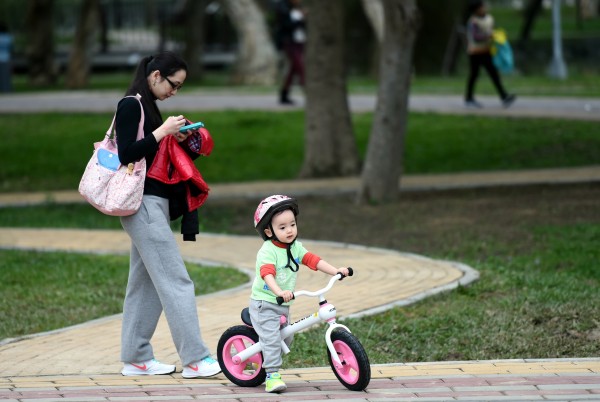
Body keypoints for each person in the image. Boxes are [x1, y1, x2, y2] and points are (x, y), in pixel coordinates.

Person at [115, 51, 221, 379]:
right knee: (176, 281)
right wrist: (162, 132)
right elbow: (126, 154)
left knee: (145, 284)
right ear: (156, 75)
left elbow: (151, 151)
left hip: (151, 205)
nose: (174, 92)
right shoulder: (130, 104)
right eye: (173, 85)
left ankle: (136, 358)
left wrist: (174, 135)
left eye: (179, 88)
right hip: (142, 205)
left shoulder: (150, 107)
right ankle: (195, 359)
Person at [250, 195, 350, 393]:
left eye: (292, 224)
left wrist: (336, 270)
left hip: (282, 303)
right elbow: (267, 274)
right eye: (282, 227)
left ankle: (257, 361)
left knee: (286, 339)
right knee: (271, 340)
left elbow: (313, 260)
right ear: (269, 231)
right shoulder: (267, 251)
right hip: (265, 302)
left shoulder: (295, 246)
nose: (290, 230)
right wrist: (280, 292)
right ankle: (271, 375)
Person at [464, 0, 515, 109]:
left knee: (494, 74)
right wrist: (489, 36)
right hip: (475, 53)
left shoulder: (489, 19)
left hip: (487, 51)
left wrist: (497, 36)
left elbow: (491, 30)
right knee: (474, 75)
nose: (484, 9)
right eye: (481, 7)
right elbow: (475, 37)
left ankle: (504, 96)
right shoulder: (473, 22)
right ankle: (469, 99)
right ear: (476, 10)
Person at [275, 0, 306, 105]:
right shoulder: (283, 7)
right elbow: (286, 25)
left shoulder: (297, 8)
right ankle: (310, 92)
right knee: (300, 67)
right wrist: (301, 19)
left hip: (298, 42)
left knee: (292, 70)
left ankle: (284, 94)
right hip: (289, 42)